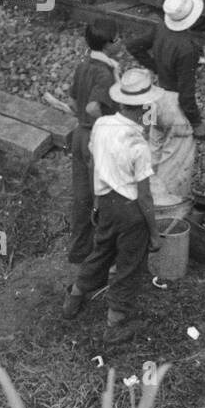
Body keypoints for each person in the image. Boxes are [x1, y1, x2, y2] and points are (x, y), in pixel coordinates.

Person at [61, 68, 165, 345]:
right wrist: (154, 233)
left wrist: (97, 201)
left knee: (101, 252)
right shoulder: (138, 145)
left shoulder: (102, 125)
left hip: (106, 202)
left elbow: (94, 164)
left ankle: (75, 296)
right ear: (144, 106)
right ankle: (114, 323)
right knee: (129, 265)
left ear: (120, 102)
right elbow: (144, 196)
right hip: (131, 211)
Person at [67, 16, 120, 264]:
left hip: (79, 135)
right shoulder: (105, 73)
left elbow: (73, 101)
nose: (120, 43)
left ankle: (79, 251)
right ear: (109, 45)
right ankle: (101, 256)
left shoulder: (84, 65)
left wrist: (83, 120)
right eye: (117, 39)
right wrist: (106, 128)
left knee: (81, 198)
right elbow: (91, 107)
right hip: (94, 140)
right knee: (102, 199)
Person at [127, 0, 205, 138]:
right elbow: (186, 93)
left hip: (154, 95)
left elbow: (133, 46)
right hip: (173, 103)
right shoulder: (188, 49)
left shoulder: (161, 28)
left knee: (153, 138)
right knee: (174, 146)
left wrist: (156, 67)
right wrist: (196, 123)